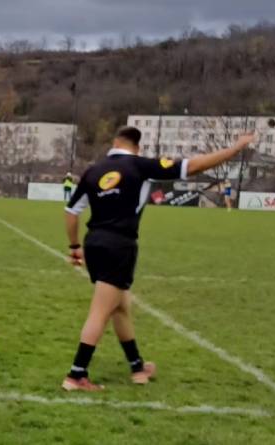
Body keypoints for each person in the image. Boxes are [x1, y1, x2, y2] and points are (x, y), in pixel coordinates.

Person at [61, 127, 256, 392]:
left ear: (115, 142)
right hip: (120, 244)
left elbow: (71, 211)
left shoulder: (93, 171)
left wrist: (74, 246)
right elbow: (195, 166)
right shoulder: (141, 166)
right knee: (101, 310)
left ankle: (137, 366)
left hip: (93, 242)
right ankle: (76, 374)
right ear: (137, 147)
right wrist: (235, 149)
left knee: (120, 306)